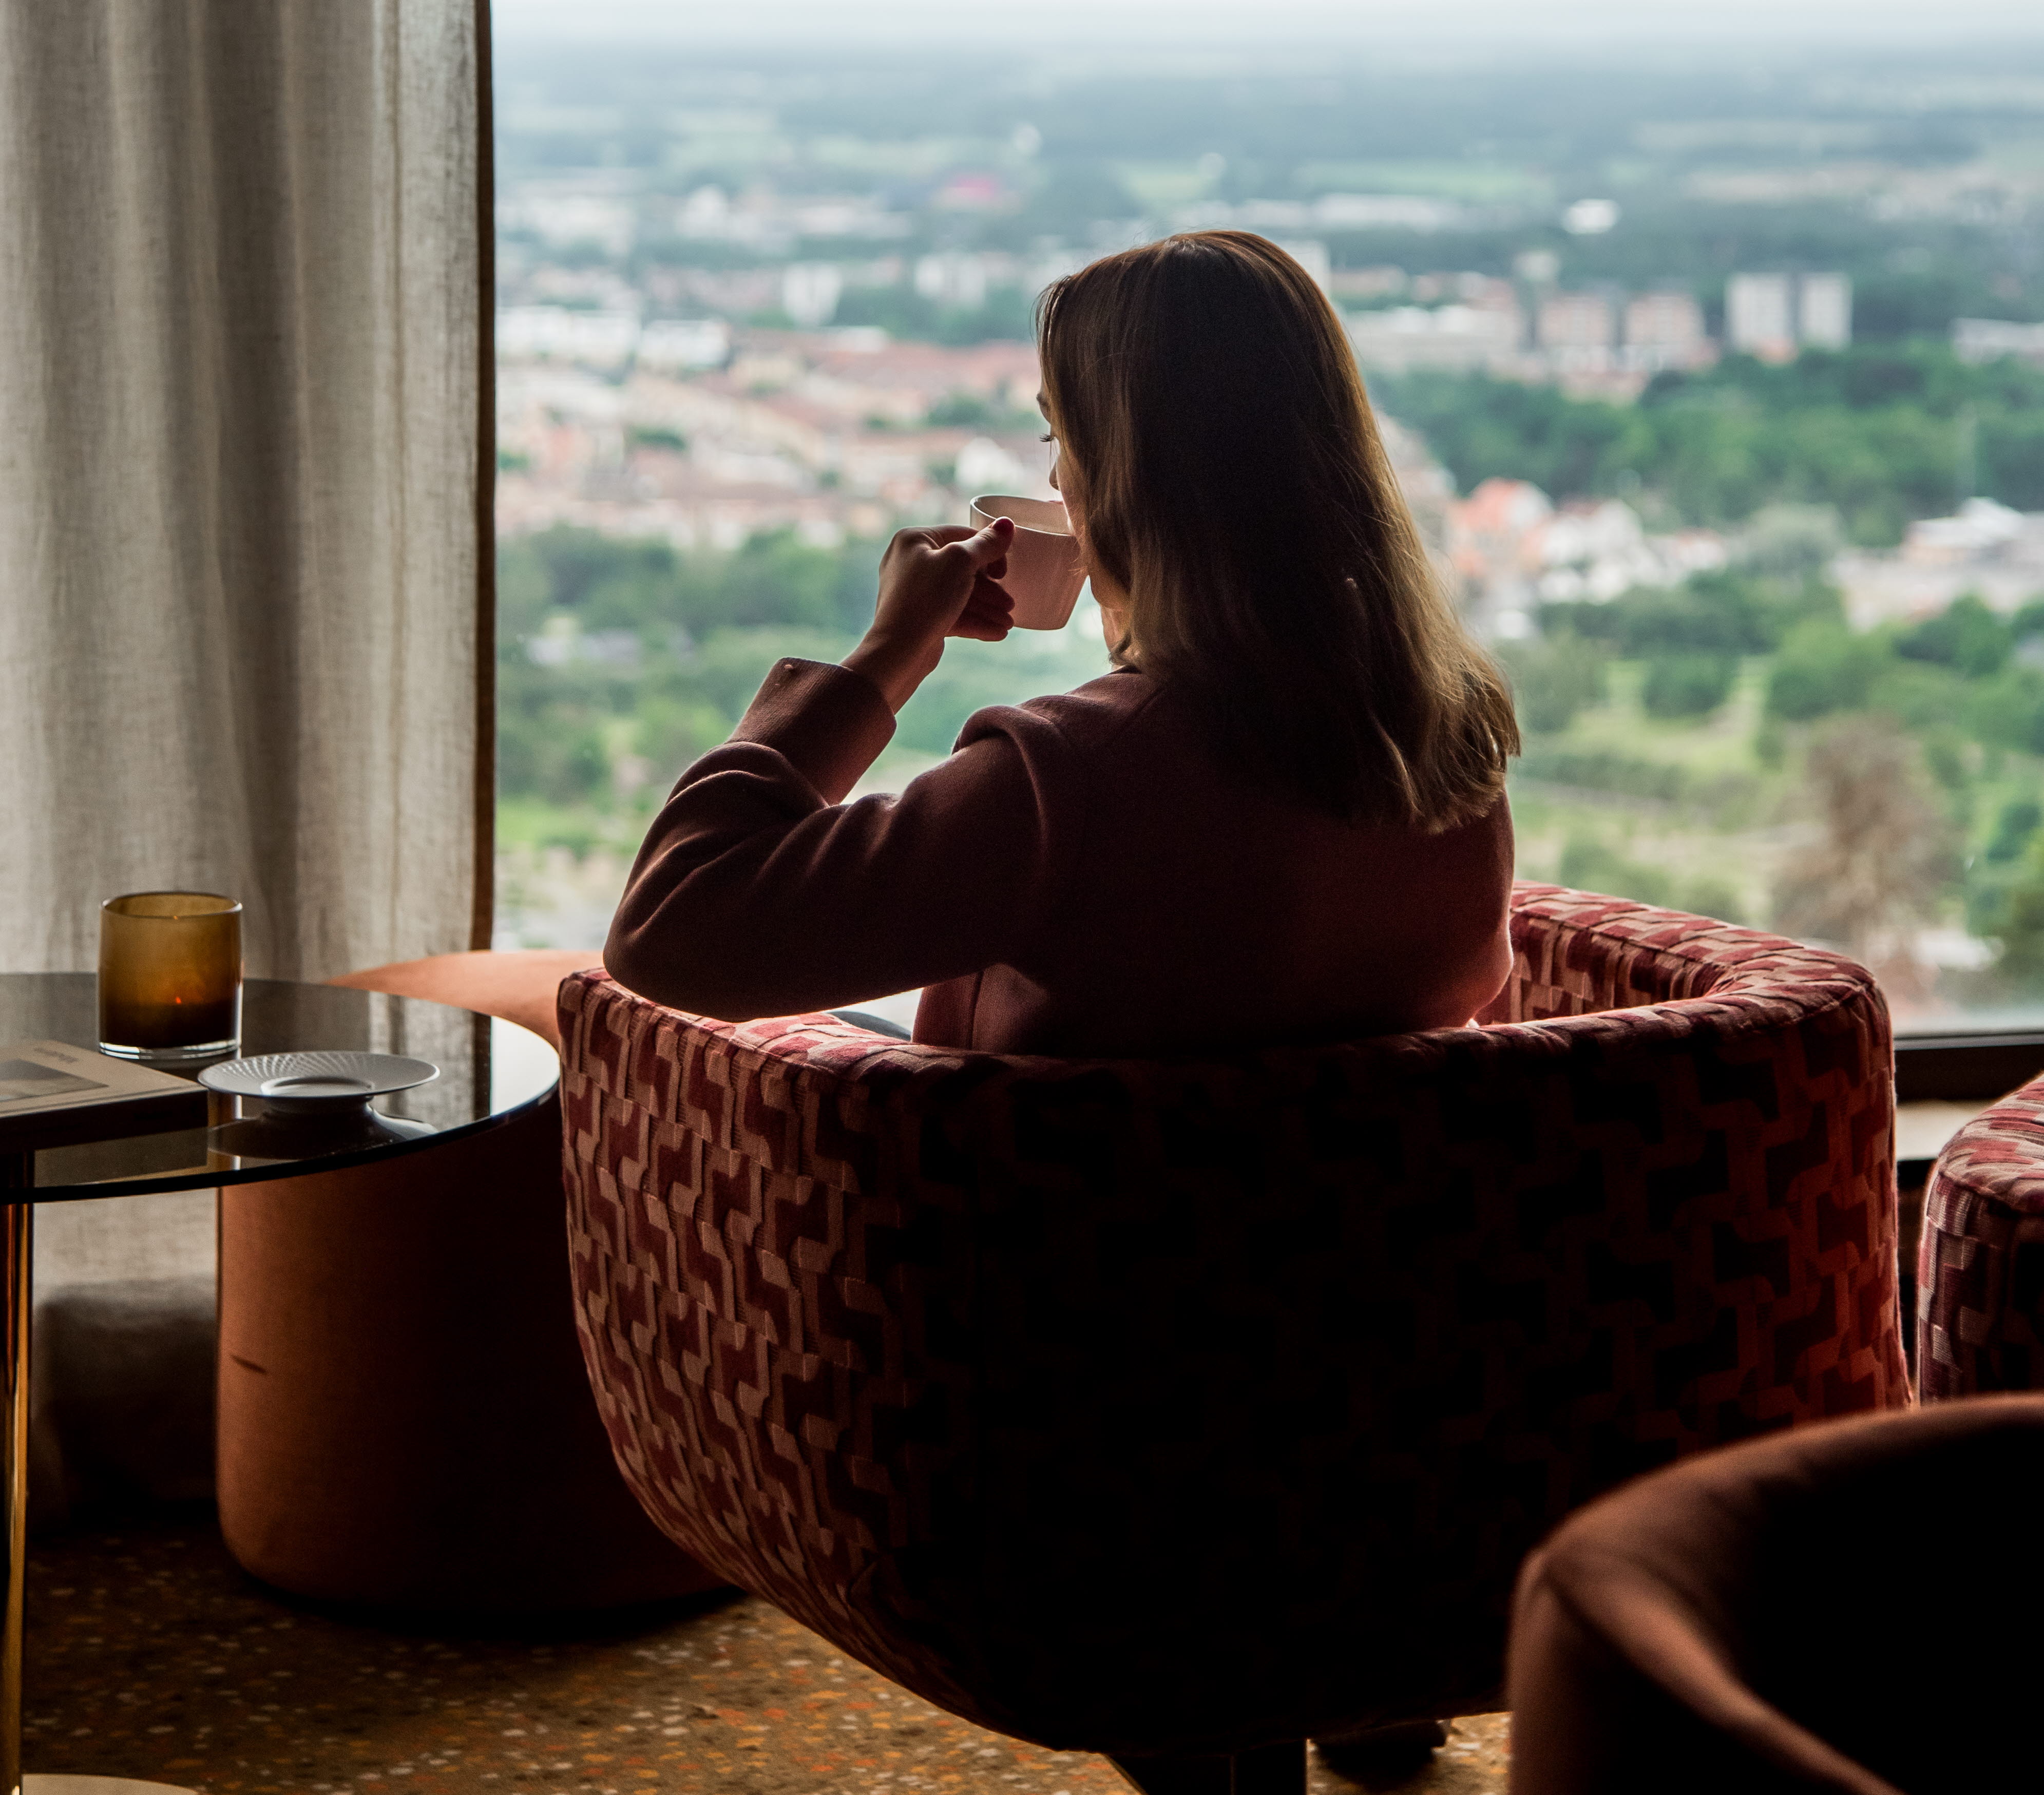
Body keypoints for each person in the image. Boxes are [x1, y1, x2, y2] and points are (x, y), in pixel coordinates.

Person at [605, 231, 1520, 1057]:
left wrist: (884, 659)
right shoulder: (1446, 726)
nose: (1053, 472)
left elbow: (672, 934)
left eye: (1063, 432)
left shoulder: (1076, 782)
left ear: (1129, 475)